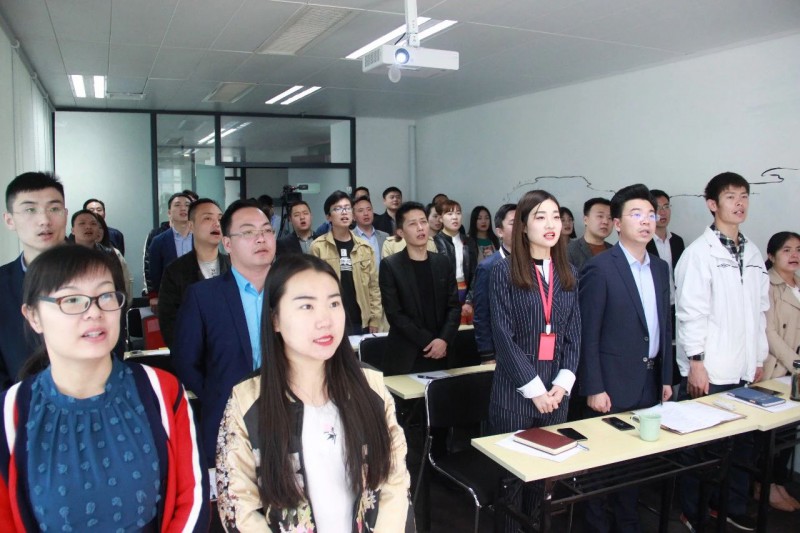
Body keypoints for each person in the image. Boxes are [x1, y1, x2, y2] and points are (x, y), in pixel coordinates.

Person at [0, 245, 208, 531]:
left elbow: (192, 497)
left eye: (106, 295)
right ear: (33, 316)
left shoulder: (160, 390)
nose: (94, 312)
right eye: (72, 299)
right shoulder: (9, 413)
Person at [216, 254, 413, 531]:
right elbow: (238, 507)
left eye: (334, 303)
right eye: (306, 306)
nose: (325, 320)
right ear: (274, 319)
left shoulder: (370, 385)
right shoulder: (247, 401)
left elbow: (395, 478)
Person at [675, 172, 768, 532]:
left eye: (744, 196)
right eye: (731, 197)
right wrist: (696, 362)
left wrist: (757, 358)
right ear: (712, 204)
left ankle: (730, 506)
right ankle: (692, 510)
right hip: (710, 369)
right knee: (702, 448)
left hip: (744, 367)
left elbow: (760, 311)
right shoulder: (699, 254)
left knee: (742, 443)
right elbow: (690, 313)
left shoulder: (753, 251)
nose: (739, 203)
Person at [578, 184, 672, 533]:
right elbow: (588, 333)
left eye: (650, 214)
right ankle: (598, 527)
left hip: (648, 381)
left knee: (635, 463)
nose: (647, 221)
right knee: (603, 466)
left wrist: (665, 377)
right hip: (611, 384)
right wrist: (594, 386)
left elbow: (664, 325)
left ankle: (628, 523)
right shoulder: (601, 268)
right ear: (617, 224)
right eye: (636, 214)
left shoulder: (659, 268)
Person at [488, 191, 580, 531]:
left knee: (544, 484)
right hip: (516, 394)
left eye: (556, 216)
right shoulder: (503, 272)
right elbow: (503, 338)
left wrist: (561, 386)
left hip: (556, 396)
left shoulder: (568, 272)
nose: (551, 224)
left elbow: (574, 336)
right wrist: (535, 390)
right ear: (523, 227)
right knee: (512, 485)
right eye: (540, 217)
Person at [172, 199, 276, 464]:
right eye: (248, 232)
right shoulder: (203, 296)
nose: (261, 238)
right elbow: (185, 361)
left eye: (266, 230)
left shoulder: (292, 291)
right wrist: (218, 395)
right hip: (226, 420)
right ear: (227, 243)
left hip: (286, 416)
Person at [1, 172, 68, 390]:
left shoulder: (98, 276)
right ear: (9, 220)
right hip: (17, 403)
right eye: (30, 210)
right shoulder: (2, 285)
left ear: (65, 214)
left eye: (54, 209)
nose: (45, 220)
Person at [379, 202, 461, 374]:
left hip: (443, 352)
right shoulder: (391, 265)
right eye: (412, 224)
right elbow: (394, 313)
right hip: (407, 354)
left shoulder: (442, 262)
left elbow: (453, 306)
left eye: (423, 222)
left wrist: (443, 339)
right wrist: (429, 341)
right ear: (400, 232)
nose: (420, 228)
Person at [760, 231, 800, 511]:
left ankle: (779, 483)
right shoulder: (768, 285)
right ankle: (764, 486)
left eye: (798, 250)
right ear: (772, 256)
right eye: (787, 250)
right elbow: (770, 332)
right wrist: (796, 364)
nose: (794, 255)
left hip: (794, 370)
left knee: (788, 432)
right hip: (777, 368)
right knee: (771, 435)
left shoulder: (798, 285)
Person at [158, 199, 230, 349]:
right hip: (192, 354)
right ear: (191, 226)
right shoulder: (175, 271)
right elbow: (169, 323)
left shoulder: (234, 266)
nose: (217, 224)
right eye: (208, 218)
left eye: (220, 219)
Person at [310, 191, 382, 335]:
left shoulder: (365, 247)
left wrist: (375, 318)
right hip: (330, 319)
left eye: (347, 208)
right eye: (337, 209)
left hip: (360, 320)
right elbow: (312, 286)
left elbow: (373, 286)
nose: (344, 212)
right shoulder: (318, 247)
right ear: (328, 216)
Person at [646, 189, 686, 391]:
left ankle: (674, 388)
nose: (662, 212)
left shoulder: (677, 241)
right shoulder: (643, 242)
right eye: (657, 208)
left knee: (676, 351)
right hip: (654, 306)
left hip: (676, 305)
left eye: (666, 207)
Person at [472, 203, 516, 363]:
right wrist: (487, 354)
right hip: (501, 351)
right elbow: (481, 315)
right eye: (513, 223)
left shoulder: (533, 262)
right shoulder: (488, 267)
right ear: (499, 232)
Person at [145, 192, 193, 311]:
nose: (183, 208)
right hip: (170, 298)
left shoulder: (201, 238)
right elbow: (153, 271)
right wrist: (153, 295)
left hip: (197, 295)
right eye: (177, 205)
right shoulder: (159, 241)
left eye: (187, 205)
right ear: (169, 213)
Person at [434, 199, 478, 325]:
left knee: (467, 331)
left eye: (458, 213)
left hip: (466, 292)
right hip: (445, 295)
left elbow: (475, 273)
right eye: (449, 214)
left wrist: (469, 300)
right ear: (440, 218)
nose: (455, 217)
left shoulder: (469, 242)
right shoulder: (434, 242)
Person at [567, 197, 612, 270]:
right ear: (586, 220)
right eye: (600, 216)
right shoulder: (570, 250)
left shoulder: (614, 250)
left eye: (610, 218)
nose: (605, 222)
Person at [352, 195, 389, 269]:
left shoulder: (385, 236)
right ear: (353, 216)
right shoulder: (350, 237)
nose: (366, 213)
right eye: (361, 210)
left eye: (369, 209)